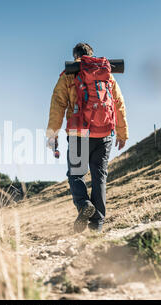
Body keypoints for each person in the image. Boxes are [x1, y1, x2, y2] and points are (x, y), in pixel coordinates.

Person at [46, 43, 129, 233]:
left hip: (79, 133)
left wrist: (52, 135)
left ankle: (84, 204)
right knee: (100, 176)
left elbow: (57, 105)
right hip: (105, 133)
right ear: (91, 54)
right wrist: (122, 133)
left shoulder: (68, 74)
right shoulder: (106, 73)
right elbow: (118, 103)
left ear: (75, 55)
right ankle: (97, 225)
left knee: (76, 174)